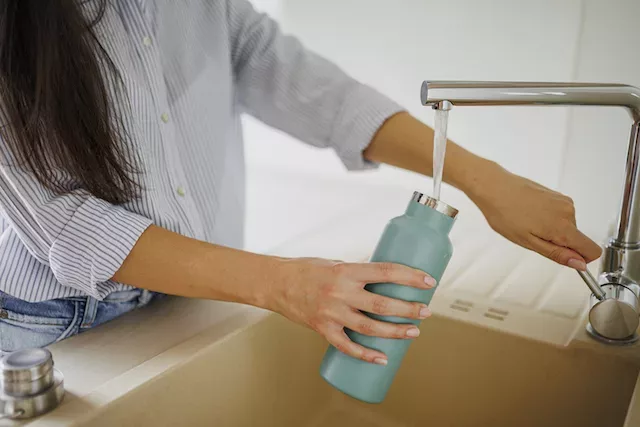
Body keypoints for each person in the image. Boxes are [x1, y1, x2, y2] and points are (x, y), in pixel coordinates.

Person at [0, 0, 600, 362]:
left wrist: (481, 176)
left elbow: (278, 68)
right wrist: (282, 282)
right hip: (54, 327)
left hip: (189, 295)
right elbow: (69, 224)